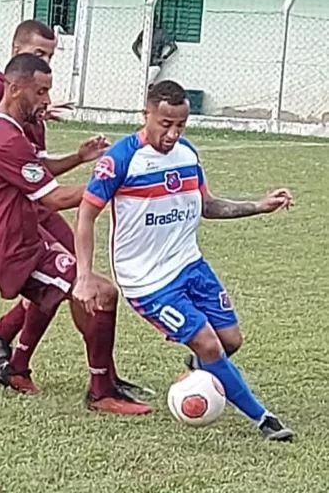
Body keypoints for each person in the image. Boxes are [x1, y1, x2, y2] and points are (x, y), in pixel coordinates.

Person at [72, 79, 295, 440]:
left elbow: (207, 205)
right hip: (147, 281)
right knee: (209, 344)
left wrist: (259, 205)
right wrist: (84, 275)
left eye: (180, 125)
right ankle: (264, 419)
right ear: (146, 115)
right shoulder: (120, 159)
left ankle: (201, 368)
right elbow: (85, 216)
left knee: (230, 341)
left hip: (190, 266)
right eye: (165, 124)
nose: (173, 133)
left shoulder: (188, 154)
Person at [0, 20, 148, 399]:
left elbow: (22, 163)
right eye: (40, 90)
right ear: (14, 82)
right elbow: (46, 191)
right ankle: (100, 389)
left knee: (69, 278)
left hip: (19, 208)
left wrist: (78, 156)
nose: (46, 100)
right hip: (11, 228)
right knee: (92, 288)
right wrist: (112, 185)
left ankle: (18, 360)